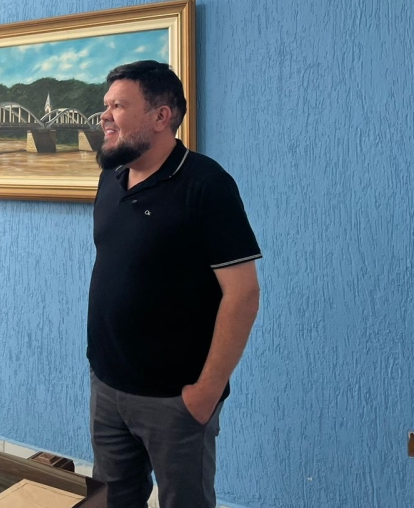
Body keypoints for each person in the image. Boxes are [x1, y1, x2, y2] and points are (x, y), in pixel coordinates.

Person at [87, 60, 261, 508]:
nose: (104, 116)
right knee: (111, 500)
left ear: (161, 116)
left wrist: (205, 392)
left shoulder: (206, 184)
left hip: (176, 400)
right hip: (107, 386)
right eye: (106, 105)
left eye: (118, 106)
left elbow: (243, 294)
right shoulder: (111, 179)